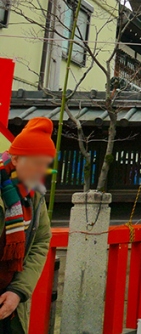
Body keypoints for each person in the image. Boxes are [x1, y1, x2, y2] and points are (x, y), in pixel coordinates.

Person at [0, 118, 53, 334]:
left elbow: (41, 241)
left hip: (8, 297)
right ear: (15, 158)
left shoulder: (33, 195)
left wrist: (18, 291)